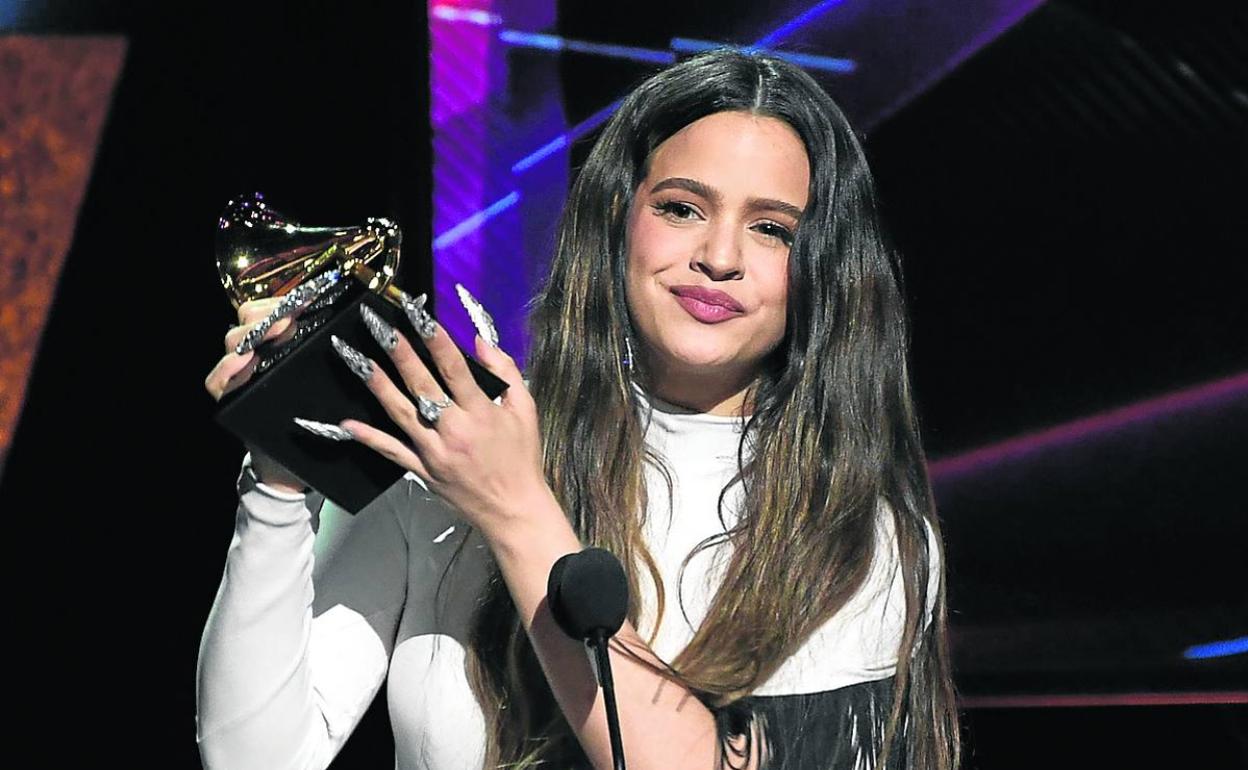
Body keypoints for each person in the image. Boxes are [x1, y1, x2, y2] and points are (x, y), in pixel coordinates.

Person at [198, 49, 959, 770]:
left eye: (771, 229)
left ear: (824, 267)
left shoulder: (858, 530)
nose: (720, 256)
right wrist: (279, 475)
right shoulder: (459, 444)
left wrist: (513, 506)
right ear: (618, 218)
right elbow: (251, 757)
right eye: (682, 207)